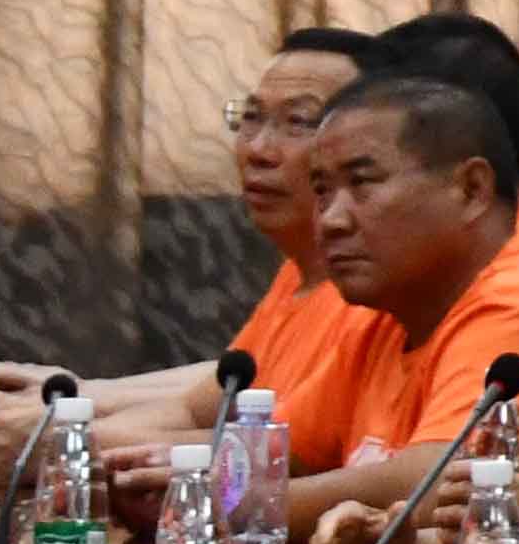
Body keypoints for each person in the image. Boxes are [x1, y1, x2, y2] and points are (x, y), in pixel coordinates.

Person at [288, 69, 519, 516]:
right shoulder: (391, 310)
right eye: (322, 192)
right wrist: (219, 480)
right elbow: (279, 453)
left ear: (472, 189)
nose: (331, 220)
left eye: (362, 183)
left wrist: (248, 503)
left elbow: (437, 490)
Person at [32, 26, 390, 458]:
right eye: (252, 118)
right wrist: (66, 409)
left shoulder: (372, 296)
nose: (259, 150)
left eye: (297, 122)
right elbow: (201, 406)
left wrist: (64, 441)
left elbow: (287, 452)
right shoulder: (299, 271)